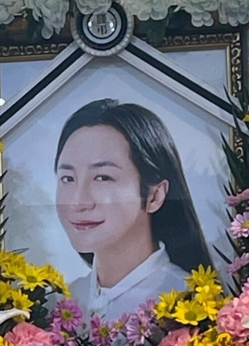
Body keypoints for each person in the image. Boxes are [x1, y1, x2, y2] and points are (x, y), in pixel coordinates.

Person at [54, 98, 212, 321]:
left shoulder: (190, 304)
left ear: (155, 195)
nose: (78, 202)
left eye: (103, 177)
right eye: (68, 178)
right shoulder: (60, 302)